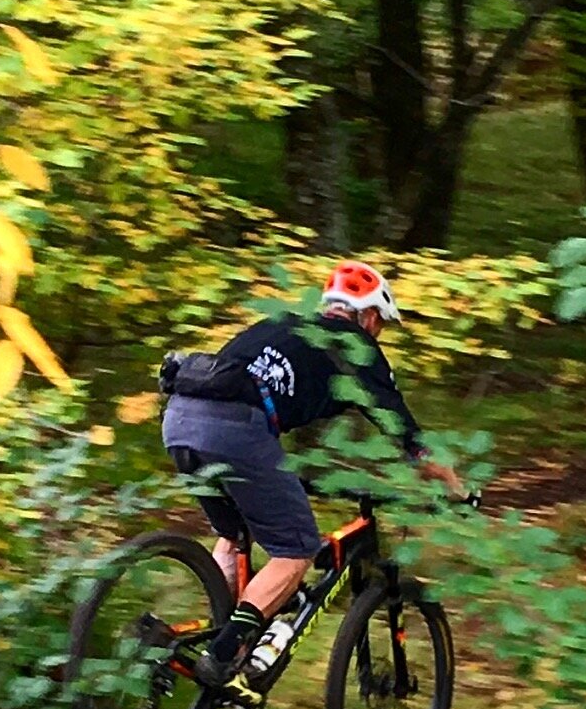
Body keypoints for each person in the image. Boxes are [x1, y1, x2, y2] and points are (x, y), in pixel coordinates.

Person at [159, 262, 469, 687]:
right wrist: (456, 489)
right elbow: (409, 437)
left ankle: (210, 638)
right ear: (371, 316)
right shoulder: (356, 346)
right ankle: (224, 652)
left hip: (179, 419)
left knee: (235, 535)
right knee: (296, 550)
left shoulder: (282, 324)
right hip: (236, 430)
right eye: (380, 324)